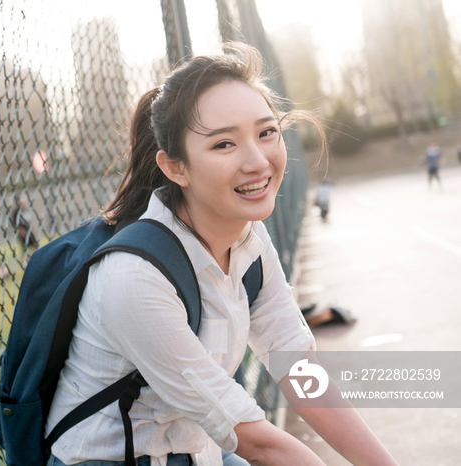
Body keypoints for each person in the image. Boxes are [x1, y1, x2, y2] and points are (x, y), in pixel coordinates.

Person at [44, 43, 397, 466]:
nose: (257, 161)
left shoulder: (249, 238)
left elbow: (299, 372)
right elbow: (256, 440)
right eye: (224, 145)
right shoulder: (134, 278)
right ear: (176, 168)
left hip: (195, 449)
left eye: (267, 132)